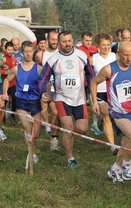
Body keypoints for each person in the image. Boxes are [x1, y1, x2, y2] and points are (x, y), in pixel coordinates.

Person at [91, 41, 131, 182]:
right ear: (118, 54)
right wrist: (95, 102)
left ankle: (115, 169)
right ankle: (127, 164)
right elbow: (94, 82)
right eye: (125, 55)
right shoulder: (109, 69)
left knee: (126, 143)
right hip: (117, 113)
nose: (128, 58)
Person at [38, 31, 95, 169]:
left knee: (82, 129)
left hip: (79, 98)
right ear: (59, 42)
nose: (67, 44)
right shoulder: (53, 59)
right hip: (61, 98)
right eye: (64, 41)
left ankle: (67, 136)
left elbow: (91, 75)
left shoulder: (81, 56)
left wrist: (91, 92)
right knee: (67, 127)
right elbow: (42, 79)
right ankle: (71, 158)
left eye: (69, 41)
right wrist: (42, 93)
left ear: (73, 40)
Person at [3, 41, 48, 163]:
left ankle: (31, 146)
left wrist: (46, 94)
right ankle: (31, 154)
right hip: (22, 102)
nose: (28, 54)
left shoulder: (39, 68)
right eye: (26, 51)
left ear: (33, 52)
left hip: (35, 103)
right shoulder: (17, 69)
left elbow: (46, 82)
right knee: (27, 129)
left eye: (30, 51)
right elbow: (7, 80)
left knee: (36, 133)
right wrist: (5, 93)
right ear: (22, 53)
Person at [89, 32, 117, 154]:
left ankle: (99, 121)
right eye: (103, 45)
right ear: (98, 45)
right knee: (106, 115)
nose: (106, 47)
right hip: (99, 91)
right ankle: (113, 146)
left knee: (114, 117)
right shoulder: (93, 59)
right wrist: (91, 97)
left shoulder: (115, 56)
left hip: (114, 92)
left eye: (108, 45)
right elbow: (89, 77)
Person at [35, 31, 60, 149]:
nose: (55, 42)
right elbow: (36, 70)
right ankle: (49, 129)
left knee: (55, 113)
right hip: (45, 87)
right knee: (44, 109)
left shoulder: (62, 52)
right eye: (52, 39)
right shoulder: (40, 54)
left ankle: (54, 137)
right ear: (48, 40)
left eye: (56, 39)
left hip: (58, 87)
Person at [77, 31, 101, 135]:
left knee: (93, 99)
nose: (88, 43)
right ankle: (79, 121)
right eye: (86, 40)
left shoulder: (95, 50)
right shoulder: (77, 51)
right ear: (82, 40)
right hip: (80, 80)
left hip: (92, 80)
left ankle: (94, 123)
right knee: (80, 102)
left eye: (90, 40)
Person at [1, 41, 17, 125]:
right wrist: (5, 72)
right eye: (8, 50)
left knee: (15, 98)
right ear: (5, 49)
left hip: (13, 82)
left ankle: (12, 114)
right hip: (4, 83)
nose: (10, 51)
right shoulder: (3, 59)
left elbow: (15, 71)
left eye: (12, 50)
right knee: (4, 100)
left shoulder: (14, 60)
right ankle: (2, 118)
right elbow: (0, 71)